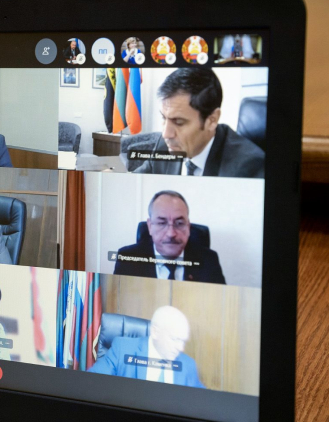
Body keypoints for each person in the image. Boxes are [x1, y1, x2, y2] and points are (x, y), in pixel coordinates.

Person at [133, 68, 265, 178]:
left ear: (212, 120)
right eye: (164, 118)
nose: (166, 134)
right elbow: (133, 185)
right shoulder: (163, 146)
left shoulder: (248, 167)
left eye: (179, 122)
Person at [113, 191, 225, 284]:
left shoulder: (209, 260)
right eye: (162, 223)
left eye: (179, 223)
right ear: (150, 226)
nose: (171, 234)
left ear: (188, 227)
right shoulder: (127, 259)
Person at [88, 306, 204, 388]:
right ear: (155, 332)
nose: (181, 348)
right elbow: (91, 383)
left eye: (183, 341)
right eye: (174, 339)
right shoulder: (122, 349)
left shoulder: (188, 365)